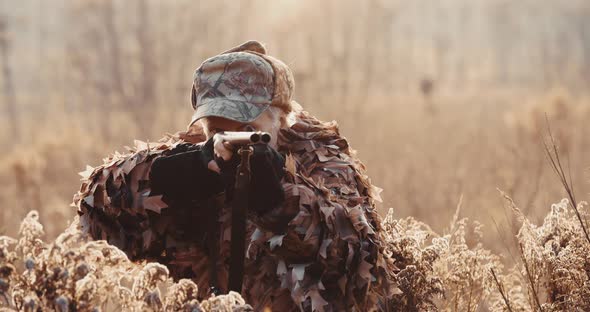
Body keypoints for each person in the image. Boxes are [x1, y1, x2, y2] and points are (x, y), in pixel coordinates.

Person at [74, 41, 397, 311]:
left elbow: (356, 257)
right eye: (216, 129)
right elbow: (94, 213)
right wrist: (165, 177)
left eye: (247, 129)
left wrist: (279, 198)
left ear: (282, 118)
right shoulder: (195, 152)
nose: (230, 139)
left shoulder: (322, 160)